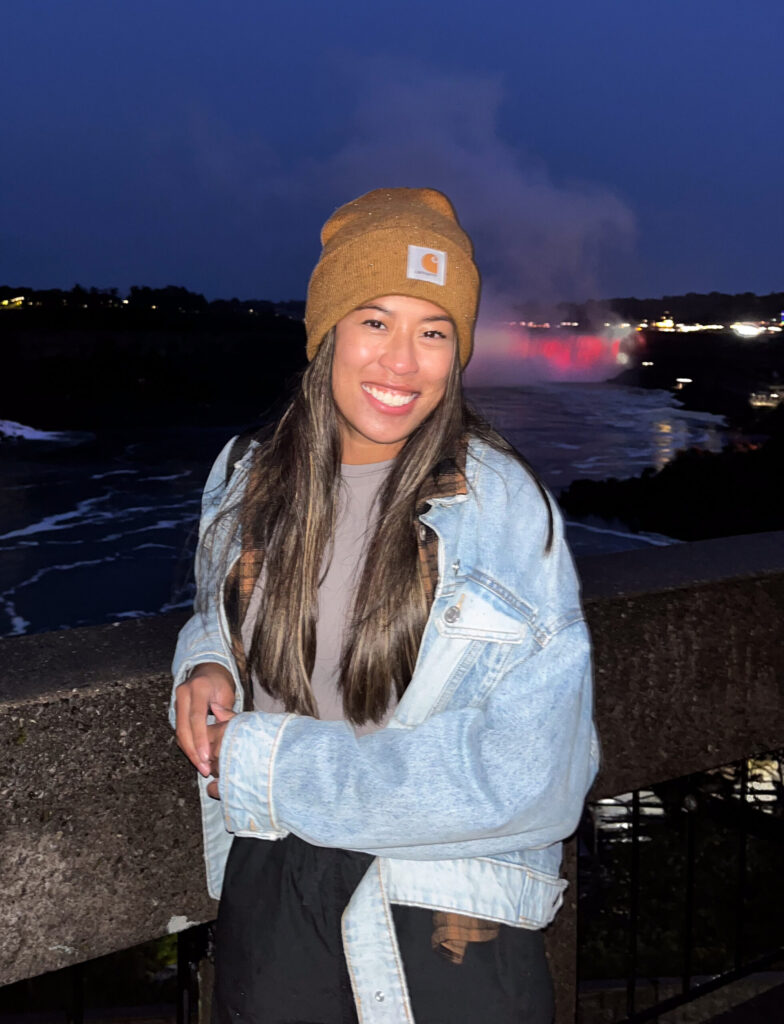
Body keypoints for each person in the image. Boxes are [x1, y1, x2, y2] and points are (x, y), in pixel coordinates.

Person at [171, 187, 598, 1024]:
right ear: (325, 332)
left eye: (434, 332)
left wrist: (267, 764)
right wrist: (207, 658)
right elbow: (219, 609)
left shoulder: (501, 506)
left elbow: (540, 777)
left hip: (445, 917)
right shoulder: (246, 475)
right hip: (273, 901)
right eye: (375, 321)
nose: (403, 363)